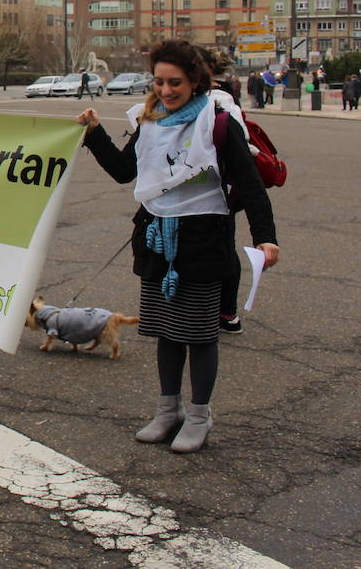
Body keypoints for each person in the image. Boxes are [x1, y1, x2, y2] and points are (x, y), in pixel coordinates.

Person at [76, 40, 279, 453]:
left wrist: (265, 236)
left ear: (195, 81)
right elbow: (122, 171)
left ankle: (200, 415)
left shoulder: (218, 122)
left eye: (176, 83)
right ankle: (169, 410)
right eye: (159, 82)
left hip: (202, 241)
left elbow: (251, 184)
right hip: (155, 240)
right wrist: (94, 133)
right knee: (167, 333)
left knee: (201, 335)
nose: (166, 91)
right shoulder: (149, 121)